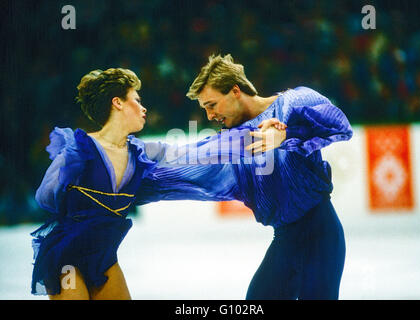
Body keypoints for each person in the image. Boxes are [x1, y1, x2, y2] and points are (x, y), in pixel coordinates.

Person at [31, 67, 282, 299]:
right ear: (117, 103)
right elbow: (45, 197)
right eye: (137, 100)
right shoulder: (80, 149)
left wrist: (253, 134)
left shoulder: (141, 152)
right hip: (67, 258)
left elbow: (196, 151)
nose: (143, 108)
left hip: (104, 257)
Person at [140, 53, 353, 300]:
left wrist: (286, 136)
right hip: (285, 239)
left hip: (320, 233)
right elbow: (186, 161)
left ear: (235, 91)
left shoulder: (294, 101)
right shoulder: (234, 142)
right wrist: (130, 181)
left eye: (212, 105)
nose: (210, 116)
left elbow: (340, 126)